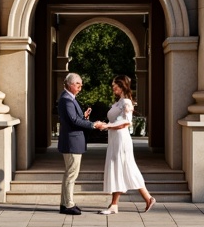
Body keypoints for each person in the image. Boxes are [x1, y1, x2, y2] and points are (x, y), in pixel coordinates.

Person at [99, 75, 155, 214]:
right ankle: (147, 198)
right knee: (125, 169)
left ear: (121, 85)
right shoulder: (119, 102)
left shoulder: (126, 102)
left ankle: (114, 205)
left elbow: (126, 122)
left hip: (121, 140)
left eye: (114, 85)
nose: (112, 88)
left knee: (122, 168)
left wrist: (106, 126)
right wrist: (106, 125)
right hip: (115, 139)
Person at [57, 72, 105, 215]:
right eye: (78, 84)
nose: (80, 87)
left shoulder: (70, 98)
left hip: (73, 140)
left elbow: (75, 118)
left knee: (70, 174)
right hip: (72, 142)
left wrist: (84, 117)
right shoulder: (66, 99)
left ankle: (65, 203)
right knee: (71, 174)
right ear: (70, 84)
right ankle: (68, 205)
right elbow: (73, 121)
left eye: (81, 84)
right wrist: (92, 124)